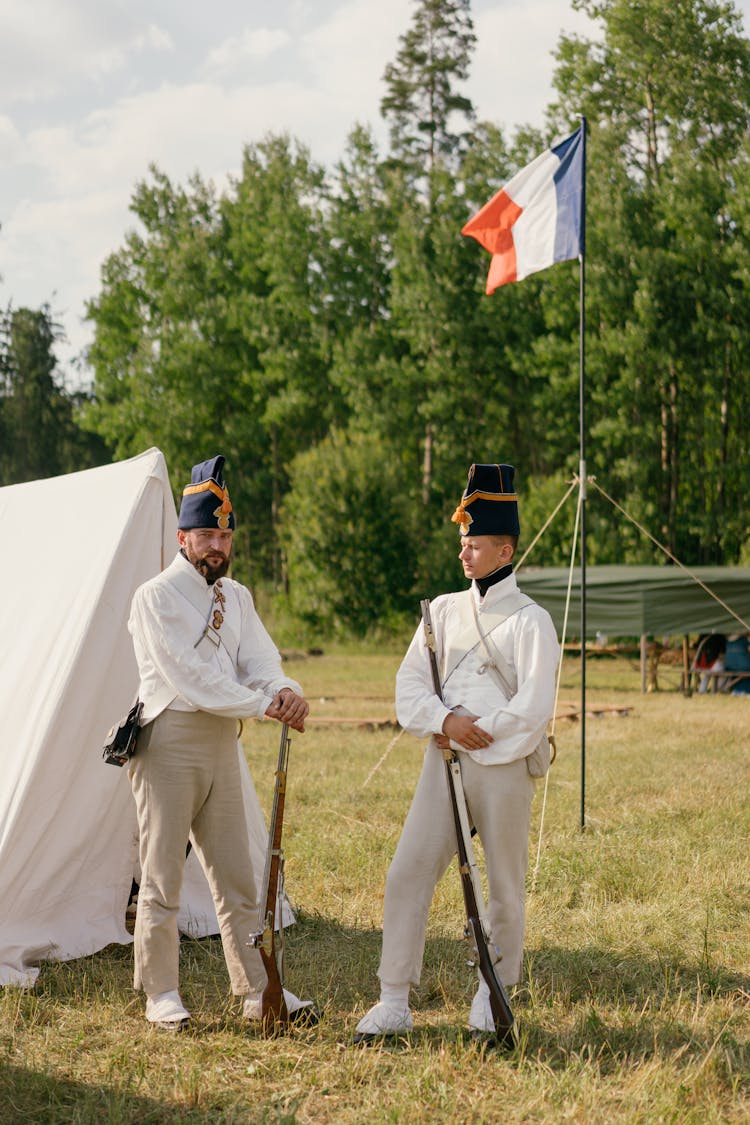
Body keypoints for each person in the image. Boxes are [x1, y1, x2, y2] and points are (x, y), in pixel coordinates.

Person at [354, 463, 560, 1042]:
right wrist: (446, 720)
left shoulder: (532, 621)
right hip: (443, 761)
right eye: (462, 543)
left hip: (502, 766)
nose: (464, 553)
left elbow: (534, 707)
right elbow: (408, 687)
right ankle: (393, 998)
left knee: (504, 888)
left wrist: (476, 730)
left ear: (505, 548)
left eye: (475, 544)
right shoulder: (442, 611)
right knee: (406, 872)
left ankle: (490, 993)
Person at [128, 454, 316, 1031]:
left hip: (222, 740)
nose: (217, 545)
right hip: (169, 738)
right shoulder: (154, 597)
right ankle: (160, 991)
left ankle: (258, 990)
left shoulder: (237, 597)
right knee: (162, 876)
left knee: (239, 875)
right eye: (206, 534)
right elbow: (190, 677)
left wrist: (285, 689)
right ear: (182, 536)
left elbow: (260, 660)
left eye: (224, 534)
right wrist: (262, 704)